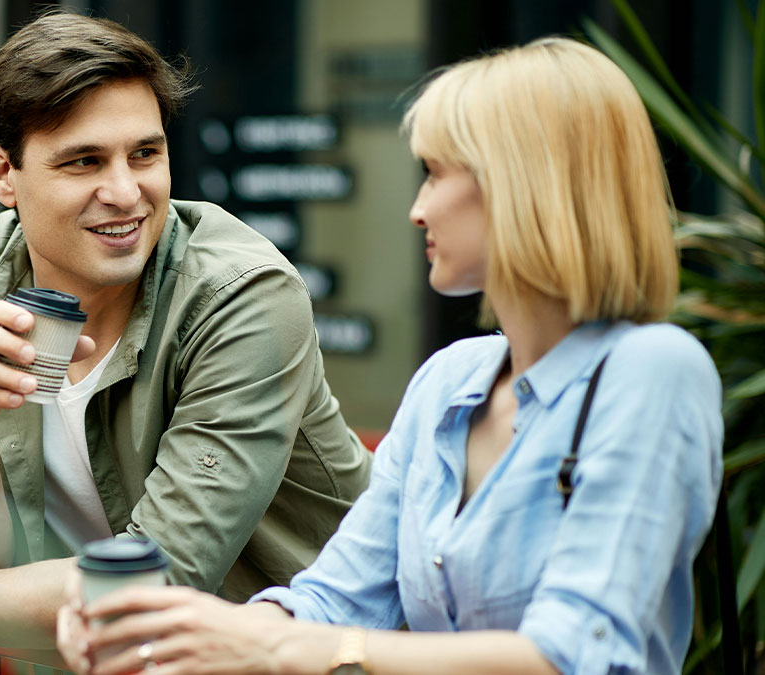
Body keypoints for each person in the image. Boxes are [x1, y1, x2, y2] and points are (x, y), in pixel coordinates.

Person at [57, 37, 723, 675]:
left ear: (523, 187)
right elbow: (335, 598)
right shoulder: (449, 382)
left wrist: (279, 652)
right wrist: (166, 627)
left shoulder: (650, 370)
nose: (416, 209)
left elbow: (568, 653)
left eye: (434, 173)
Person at [0, 9, 370, 667]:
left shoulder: (241, 295)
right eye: (84, 161)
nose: (125, 192)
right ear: (4, 175)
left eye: (146, 153)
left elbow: (155, 581)